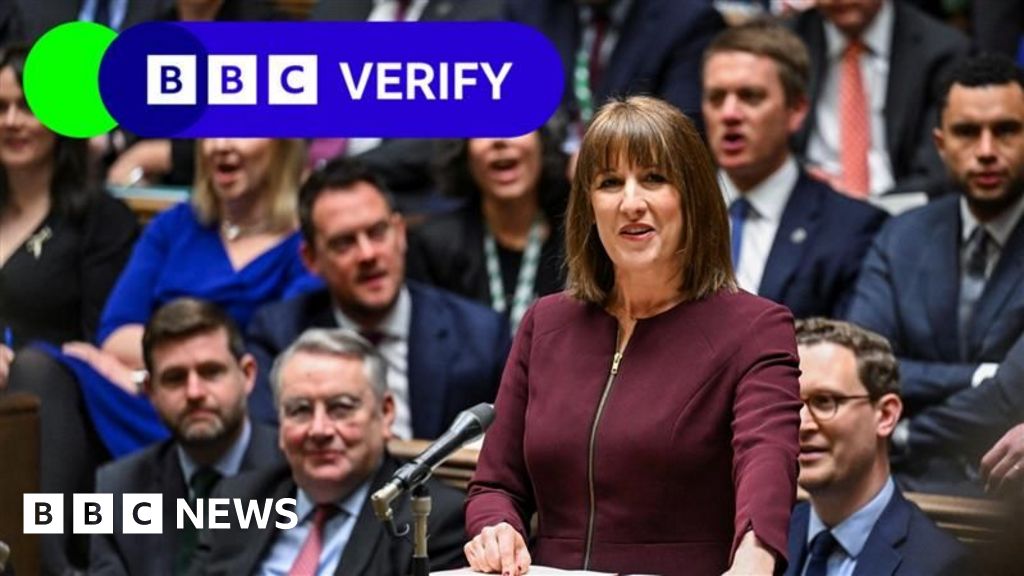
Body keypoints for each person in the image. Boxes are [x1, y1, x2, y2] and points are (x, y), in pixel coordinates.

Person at [464, 96, 802, 575]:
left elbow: (767, 460)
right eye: (609, 183)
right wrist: (495, 528)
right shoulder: (546, 323)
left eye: (654, 178)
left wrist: (755, 558)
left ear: (692, 196)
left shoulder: (754, 328)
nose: (631, 203)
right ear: (588, 205)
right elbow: (496, 485)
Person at [5, 137, 316, 574]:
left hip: (239, 408)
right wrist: (156, 376)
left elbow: (277, 352)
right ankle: (43, 565)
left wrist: (148, 369)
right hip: (148, 396)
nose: (221, 146)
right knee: (38, 367)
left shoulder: (305, 242)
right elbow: (116, 332)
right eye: (211, 133)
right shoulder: (177, 225)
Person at [846, 54, 1024, 495]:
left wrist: (903, 435)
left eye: (1006, 130)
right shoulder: (902, 235)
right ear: (941, 144)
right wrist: (979, 376)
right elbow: (862, 368)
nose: (986, 150)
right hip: (908, 490)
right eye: (967, 132)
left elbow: (1011, 395)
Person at [246, 157, 510, 439]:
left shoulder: (480, 336)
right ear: (311, 259)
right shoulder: (280, 336)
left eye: (377, 232)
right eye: (344, 242)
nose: (368, 254)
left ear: (400, 233)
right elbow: (269, 445)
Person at [190, 328, 466, 575]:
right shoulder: (237, 498)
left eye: (341, 408)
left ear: (385, 413)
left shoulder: (431, 520)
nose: (319, 430)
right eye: (300, 410)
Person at [701, 20, 887, 319]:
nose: (729, 114)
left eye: (750, 96)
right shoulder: (670, 214)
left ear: (797, 110)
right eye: (716, 98)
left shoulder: (851, 229)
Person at [90, 298, 283, 576]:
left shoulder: (295, 472)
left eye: (211, 372)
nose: (194, 392)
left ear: (248, 375)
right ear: (150, 391)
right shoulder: (119, 489)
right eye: (175, 378)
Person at [785, 318, 970, 576]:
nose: (802, 424)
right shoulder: (760, 540)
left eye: (824, 401)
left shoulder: (942, 566)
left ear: (885, 415)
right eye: (788, 403)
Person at [0, 44, 137, 388]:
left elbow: (100, 349)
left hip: (57, 395)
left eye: (28, 107)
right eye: (0, 108)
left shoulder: (102, 220)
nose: (12, 122)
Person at [791, 0, 969, 197]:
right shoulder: (786, 43)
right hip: (809, 200)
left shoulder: (941, 51)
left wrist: (869, 208)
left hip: (902, 203)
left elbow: (937, 170)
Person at [505, 0, 725, 152]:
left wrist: (596, 158)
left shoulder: (686, 19)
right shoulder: (526, 13)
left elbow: (681, 135)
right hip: (546, 188)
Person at [407, 129, 568, 333]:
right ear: (463, 152)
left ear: (542, 143)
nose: (500, 140)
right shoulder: (432, 245)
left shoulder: (582, 239)